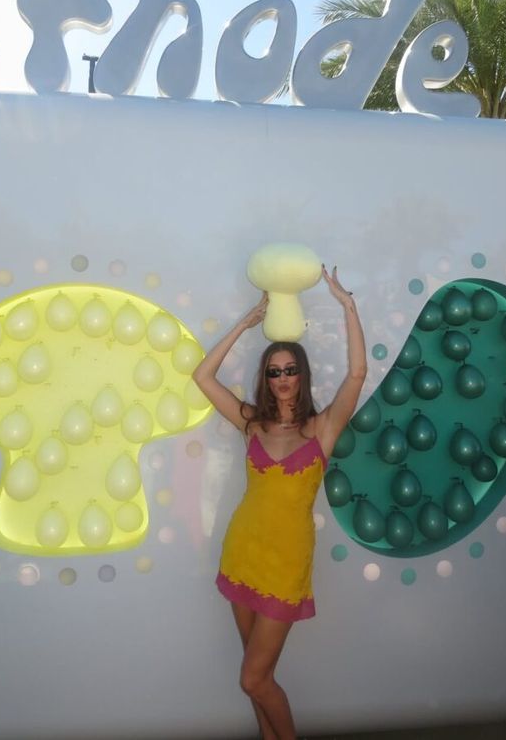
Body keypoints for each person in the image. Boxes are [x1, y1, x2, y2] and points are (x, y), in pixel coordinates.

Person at [192, 265, 367, 740]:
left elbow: (356, 373)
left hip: (286, 563)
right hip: (243, 552)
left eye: (291, 369)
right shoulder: (252, 424)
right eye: (274, 371)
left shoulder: (321, 429)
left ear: (302, 374)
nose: (283, 377)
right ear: (266, 379)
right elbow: (203, 376)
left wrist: (347, 304)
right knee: (256, 678)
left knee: (253, 678)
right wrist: (245, 323)